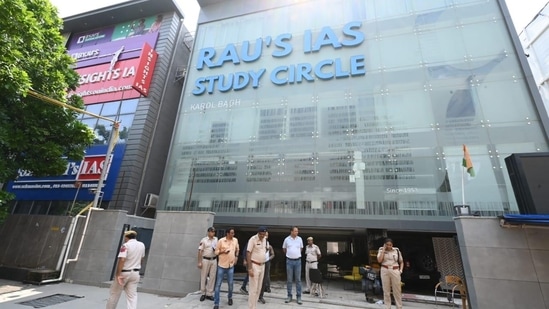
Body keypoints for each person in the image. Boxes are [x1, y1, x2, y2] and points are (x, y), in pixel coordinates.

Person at [105, 230, 145, 309]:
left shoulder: (126, 245)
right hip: (135, 273)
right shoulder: (142, 245)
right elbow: (141, 259)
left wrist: (118, 275)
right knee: (132, 296)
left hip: (125, 272)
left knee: (114, 294)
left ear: (126, 237)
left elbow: (122, 260)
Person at [213, 228, 239, 309]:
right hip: (221, 265)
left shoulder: (235, 240)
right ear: (227, 233)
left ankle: (230, 297)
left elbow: (237, 249)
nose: (233, 234)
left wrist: (236, 257)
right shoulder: (221, 241)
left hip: (231, 266)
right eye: (231, 233)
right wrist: (223, 252)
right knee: (218, 284)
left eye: (233, 233)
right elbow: (216, 252)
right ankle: (216, 303)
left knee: (230, 284)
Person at [377, 238, 404, 309]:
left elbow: (401, 262)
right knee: (386, 290)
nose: (389, 246)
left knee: (397, 290)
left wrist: (400, 270)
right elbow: (379, 260)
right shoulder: (380, 250)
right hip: (385, 269)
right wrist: (383, 250)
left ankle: (399, 307)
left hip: (395, 270)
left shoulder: (396, 250)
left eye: (390, 245)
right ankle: (387, 307)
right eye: (387, 245)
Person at [246, 226, 268, 309]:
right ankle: (251, 307)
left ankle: (254, 306)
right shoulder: (253, 239)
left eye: (264, 234)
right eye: (261, 234)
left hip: (262, 265)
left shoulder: (265, 239)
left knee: (259, 288)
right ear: (258, 233)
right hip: (254, 265)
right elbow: (248, 253)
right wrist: (250, 268)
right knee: (253, 289)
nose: (262, 236)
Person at [282, 226, 304, 304]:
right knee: (289, 280)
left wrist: (295, 254)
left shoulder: (300, 239)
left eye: (297, 231)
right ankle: (289, 296)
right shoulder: (286, 239)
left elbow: (301, 249)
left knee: (298, 280)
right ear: (291, 231)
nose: (297, 232)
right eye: (295, 231)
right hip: (289, 261)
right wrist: (290, 254)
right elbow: (284, 249)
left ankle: (299, 296)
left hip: (298, 261)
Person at [198, 226, 218, 301]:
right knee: (204, 276)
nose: (213, 233)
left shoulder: (216, 239)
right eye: (212, 231)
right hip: (205, 259)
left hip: (214, 259)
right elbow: (200, 251)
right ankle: (203, 293)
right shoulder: (204, 240)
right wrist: (199, 262)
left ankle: (209, 293)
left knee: (212, 276)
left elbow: (217, 248)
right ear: (208, 232)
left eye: (214, 232)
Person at [258, 231, 275, 304]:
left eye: (267, 235)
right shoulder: (258, 243)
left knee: (264, 279)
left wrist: (268, 258)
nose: (265, 236)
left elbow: (273, 254)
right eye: (264, 235)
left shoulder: (269, 245)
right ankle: (255, 295)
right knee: (257, 279)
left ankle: (261, 296)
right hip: (258, 262)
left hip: (266, 263)